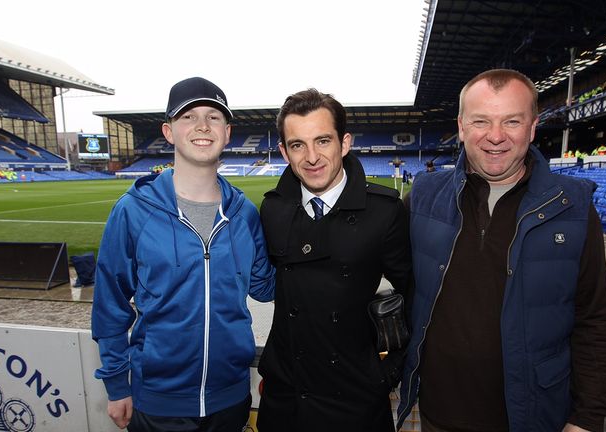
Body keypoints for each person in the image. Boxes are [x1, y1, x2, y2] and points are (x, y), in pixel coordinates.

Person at [396, 69, 606, 432]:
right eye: (481, 121)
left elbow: (595, 320)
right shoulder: (423, 198)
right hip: (438, 416)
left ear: (532, 127)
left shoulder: (572, 207)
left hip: (534, 419)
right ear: (462, 127)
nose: (495, 137)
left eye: (511, 121)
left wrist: (587, 419)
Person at [91, 77, 275, 432]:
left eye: (214, 117)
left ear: (227, 131)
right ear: (169, 131)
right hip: (158, 403)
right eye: (188, 116)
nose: (203, 125)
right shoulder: (133, 211)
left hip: (231, 398)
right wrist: (116, 385)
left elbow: (267, 287)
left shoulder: (245, 213)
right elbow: (110, 306)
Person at [257, 89, 413, 432]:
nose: (311, 157)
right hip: (286, 401)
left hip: (354, 400)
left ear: (344, 143)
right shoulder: (272, 209)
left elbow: (414, 295)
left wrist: (386, 373)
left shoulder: (383, 212)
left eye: (322, 141)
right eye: (297, 145)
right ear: (284, 151)